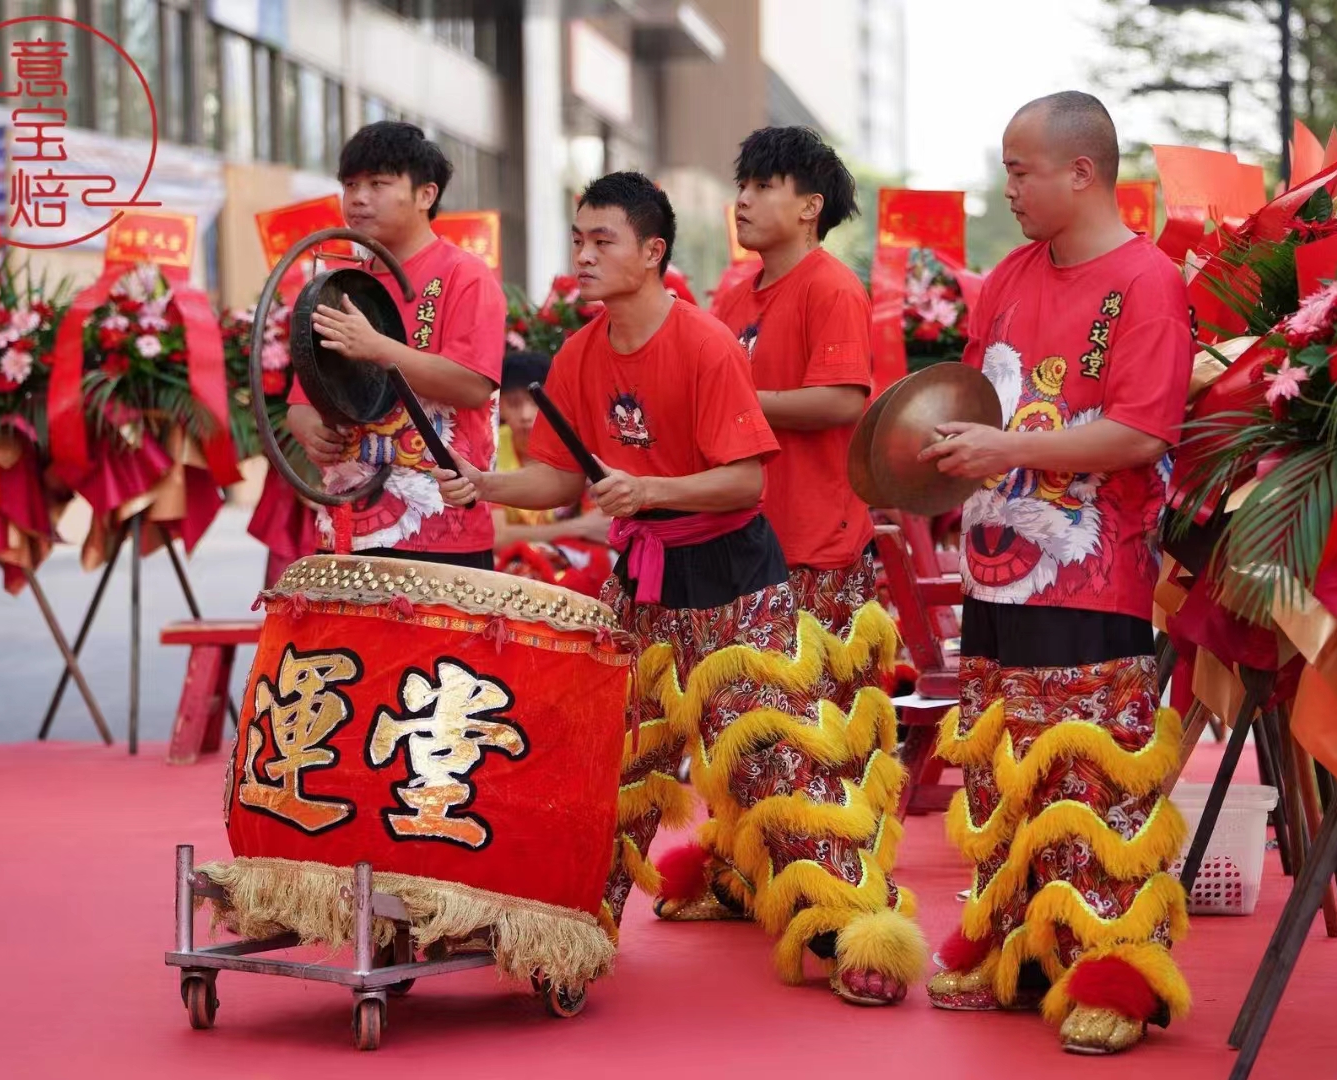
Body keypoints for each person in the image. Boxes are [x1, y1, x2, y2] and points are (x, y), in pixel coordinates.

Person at [435, 171, 923, 1006]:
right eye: (578, 239)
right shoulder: (581, 355)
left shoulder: (703, 344)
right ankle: (571, 930)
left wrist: (651, 490)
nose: (583, 256)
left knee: (781, 760)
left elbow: (742, 485)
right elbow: (557, 480)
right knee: (615, 761)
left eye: (603, 241)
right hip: (645, 581)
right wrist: (485, 486)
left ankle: (853, 929)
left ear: (652, 252)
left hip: (736, 577)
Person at [914, 91, 1193, 1054]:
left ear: (1083, 172)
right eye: (1006, 167)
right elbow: (971, 397)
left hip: (1095, 574)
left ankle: (1117, 968)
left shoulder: (1147, 282)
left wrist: (1002, 452)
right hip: (996, 568)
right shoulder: (1009, 276)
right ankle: (1022, 951)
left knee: (1088, 773)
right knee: (1001, 766)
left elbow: (1143, 432)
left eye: (1022, 169)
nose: (1010, 187)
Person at [286, 120, 505, 567]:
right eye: (350, 185)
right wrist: (306, 427)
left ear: (426, 195)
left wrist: (379, 348)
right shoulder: (340, 284)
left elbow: (473, 386)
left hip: (444, 533)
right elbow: (303, 397)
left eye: (378, 184)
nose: (359, 197)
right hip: (348, 529)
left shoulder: (466, 276)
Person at [710, 125, 874, 633]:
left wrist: (736, 402)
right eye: (742, 186)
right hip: (742, 538)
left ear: (810, 207)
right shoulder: (733, 297)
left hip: (816, 547)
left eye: (762, 187)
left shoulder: (831, 287)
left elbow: (842, 401)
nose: (742, 201)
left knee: (815, 708)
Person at [493, 350, 613, 595]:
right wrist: (577, 527)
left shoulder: (577, 446)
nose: (526, 416)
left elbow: (602, 528)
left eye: (536, 402)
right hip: (511, 561)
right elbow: (496, 538)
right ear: (499, 405)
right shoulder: (491, 449)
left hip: (573, 557)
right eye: (515, 404)